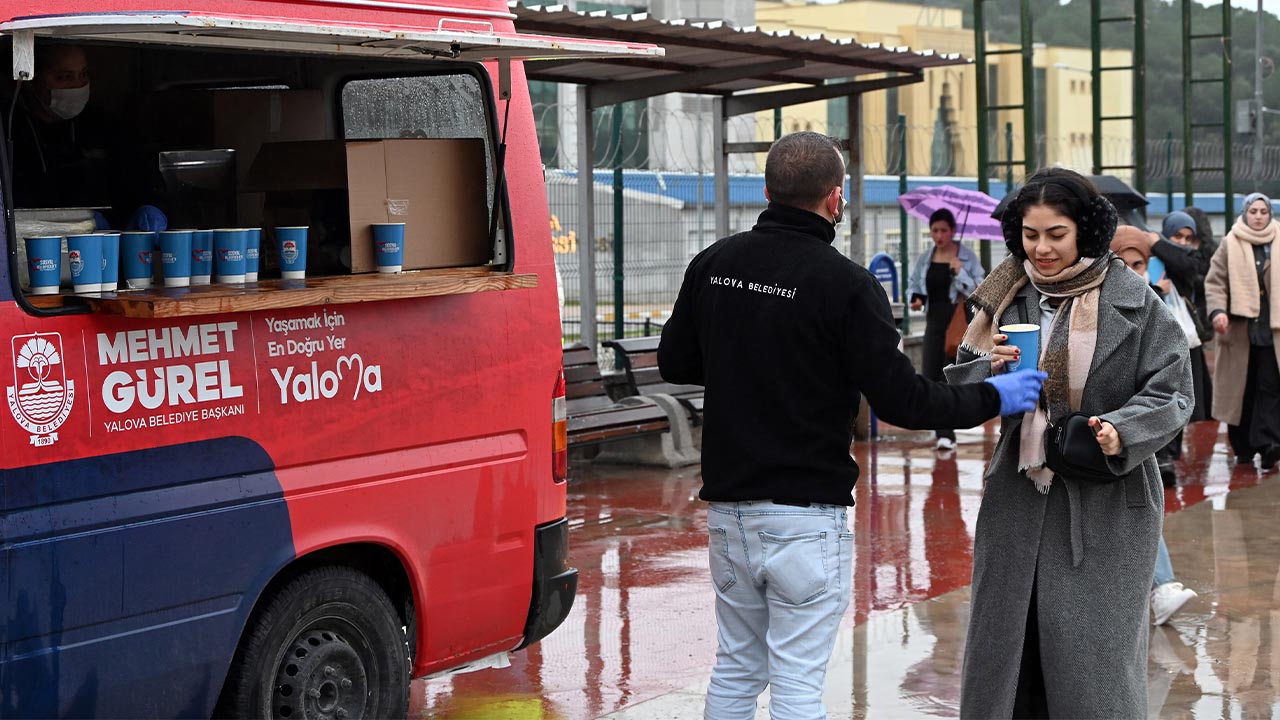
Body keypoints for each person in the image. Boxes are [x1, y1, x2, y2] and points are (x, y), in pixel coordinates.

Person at [656, 132, 1046, 720]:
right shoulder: (847, 285)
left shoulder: (715, 264)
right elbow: (907, 403)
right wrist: (994, 394)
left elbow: (675, 362)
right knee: (796, 682)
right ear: (835, 199)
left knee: (737, 666)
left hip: (729, 511)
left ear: (767, 191)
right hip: (805, 517)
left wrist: (749, 354)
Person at [946, 168, 1193, 718]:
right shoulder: (1002, 294)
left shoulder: (1134, 298)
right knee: (1013, 651)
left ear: (1085, 228)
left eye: (1056, 234)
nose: (1042, 248)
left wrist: (1119, 430)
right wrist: (992, 373)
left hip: (1105, 499)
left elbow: (1174, 390)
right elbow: (959, 387)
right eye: (1031, 235)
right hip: (1018, 494)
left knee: (1093, 664)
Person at [1110, 227, 1200, 625]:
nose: (1133, 272)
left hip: (1134, 430)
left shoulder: (1155, 307)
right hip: (1100, 426)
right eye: (1123, 264)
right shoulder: (1099, 305)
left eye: (1139, 264)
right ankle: (1155, 588)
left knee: (1140, 505)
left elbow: (1170, 382)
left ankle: (1161, 588)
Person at [9, 44, 165, 229]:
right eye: (65, 77)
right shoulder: (11, 129)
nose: (77, 86)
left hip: (109, 248)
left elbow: (141, 177)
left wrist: (152, 207)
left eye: (83, 75)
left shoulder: (103, 125)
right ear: (29, 80)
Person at [1205, 193, 1280, 470]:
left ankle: (1269, 443)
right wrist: (1217, 311)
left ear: (1269, 214)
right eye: (1254, 211)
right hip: (1240, 332)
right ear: (1245, 213)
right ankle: (1244, 447)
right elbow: (1215, 283)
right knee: (1242, 390)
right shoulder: (1230, 243)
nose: (1259, 216)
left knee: (1270, 386)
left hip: (1273, 331)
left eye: (1263, 211)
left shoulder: (1279, 240)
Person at [907, 207, 987, 451]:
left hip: (957, 321)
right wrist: (915, 298)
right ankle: (941, 425)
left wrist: (960, 273)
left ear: (952, 231)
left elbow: (980, 288)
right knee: (929, 373)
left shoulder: (966, 257)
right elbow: (914, 283)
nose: (939, 235)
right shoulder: (926, 257)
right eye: (934, 230)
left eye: (943, 230)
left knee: (948, 374)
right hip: (934, 321)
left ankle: (946, 432)